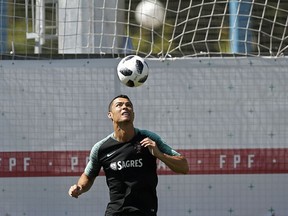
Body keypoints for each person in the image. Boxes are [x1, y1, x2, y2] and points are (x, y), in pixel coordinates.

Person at [68, 94, 189, 216]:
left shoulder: (149, 138)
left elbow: (184, 166)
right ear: (110, 115)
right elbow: (88, 176)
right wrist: (80, 188)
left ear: (133, 114)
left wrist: (160, 155)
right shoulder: (100, 148)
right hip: (115, 212)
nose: (125, 107)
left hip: (145, 211)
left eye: (128, 105)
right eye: (119, 105)